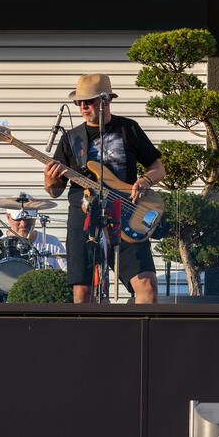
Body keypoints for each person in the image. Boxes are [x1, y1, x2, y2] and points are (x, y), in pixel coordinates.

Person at [43, 73, 166, 304]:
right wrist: (50, 181)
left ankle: (139, 339)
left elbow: (158, 167)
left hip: (126, 213)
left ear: (106, 100)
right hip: (85, 215)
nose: (82, 106)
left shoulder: (129, 128)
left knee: (147, 285)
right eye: (79, 101)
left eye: (88, 101)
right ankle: (85, 340)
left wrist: (145, 181)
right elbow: (55, 191)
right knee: (83, 293)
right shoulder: (71, 139)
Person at [0, 205, 66, 292]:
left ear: (36, 215)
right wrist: (2, 277)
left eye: (28, 218)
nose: (23, 223)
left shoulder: (52, 242)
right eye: (18, 219)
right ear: (8, 217)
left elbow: (67, 276)